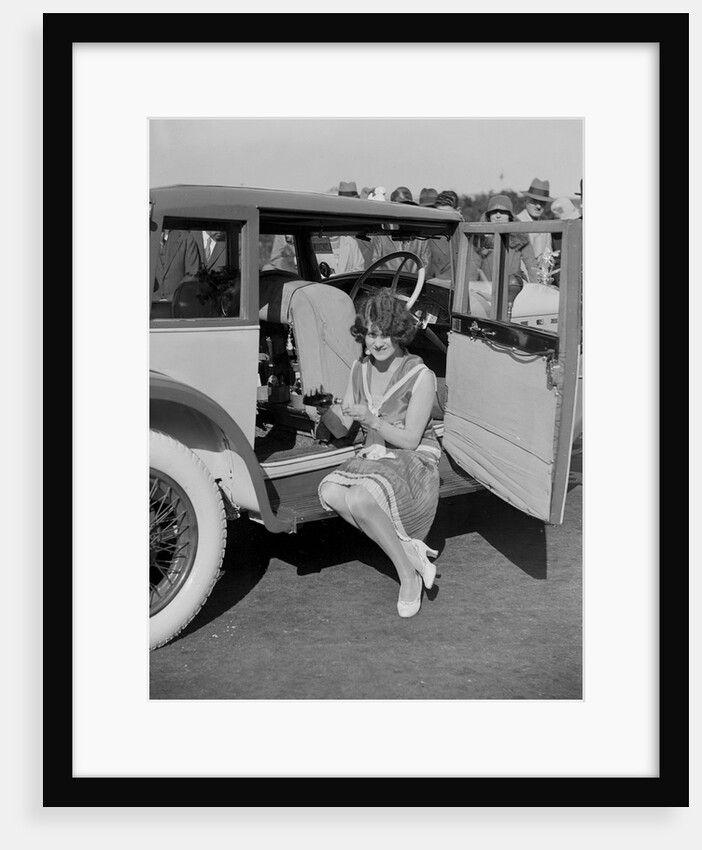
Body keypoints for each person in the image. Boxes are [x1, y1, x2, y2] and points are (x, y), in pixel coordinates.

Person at [316, 291, 441, 618]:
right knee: (330, 492)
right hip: (376, 456)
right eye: (371, 334)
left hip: (414, 459)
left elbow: (410, 440)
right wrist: (323, 410)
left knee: (358, 498)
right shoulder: (359, 368)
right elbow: (342, 429)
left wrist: (372, 420)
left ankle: (408, 576)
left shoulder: (421, 375)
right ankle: (410, 551)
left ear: (398, 333)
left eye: (384, 333)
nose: (377, 342)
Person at [473, 194, 539, 283]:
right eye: (494, 212)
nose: (498, 216)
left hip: (513, 287)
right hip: (485, 288)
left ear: (510, 216)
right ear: (489, 216)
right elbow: (473, 267)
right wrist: (471, 288)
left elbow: (531, 265)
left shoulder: (520, 236)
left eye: (503, 212)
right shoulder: (480, 237)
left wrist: (537, 286)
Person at [370, 187, 432, 272]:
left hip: (414, 280)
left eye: (408, 207)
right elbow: (375, 263)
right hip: (388, 280)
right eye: (401, 207)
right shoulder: (382, 233)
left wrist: (416, 279)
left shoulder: (421, 235)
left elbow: (426, 265)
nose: (405, 210)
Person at [153, 229, 201, 301]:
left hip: (178, 302)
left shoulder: (186, 238)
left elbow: (193, 273)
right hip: (150, 302)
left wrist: (175, 296)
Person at [427, 190, 462, 279]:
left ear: (458, 211)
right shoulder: (428, 238)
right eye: (440, 214)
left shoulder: (469, 236)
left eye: (448, 214)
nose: (444, 219)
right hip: (438, 285)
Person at [516, 177, 553, 261]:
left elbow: (548, 254)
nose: (538, 206)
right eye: (534, 201)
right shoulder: (516, 222)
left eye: (542, 202)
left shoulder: (546, 228)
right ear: (525, 201)